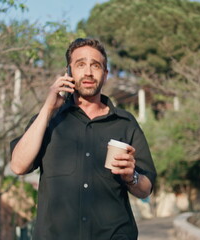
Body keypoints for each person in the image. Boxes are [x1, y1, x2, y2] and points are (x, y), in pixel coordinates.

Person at [10, 38, 156, 240]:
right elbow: (18, 166)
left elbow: (146, 188)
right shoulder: (47, 121)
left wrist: (132, 177)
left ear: (105, 75)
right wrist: (48, 108)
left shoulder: (125, 123)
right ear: (68, 72)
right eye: (80, 65)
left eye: (95, 66)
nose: (88, 72)